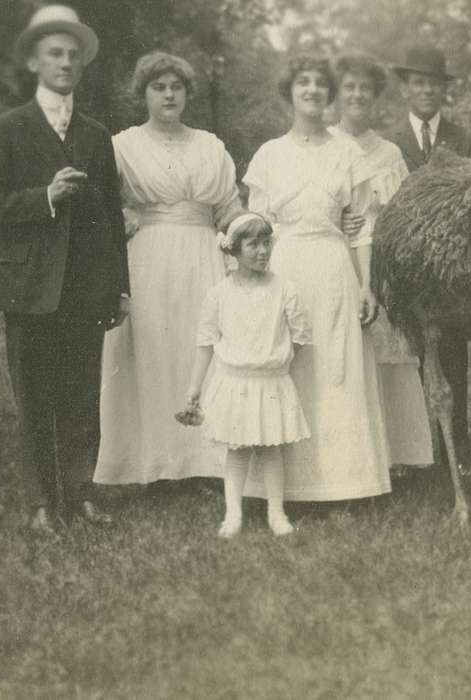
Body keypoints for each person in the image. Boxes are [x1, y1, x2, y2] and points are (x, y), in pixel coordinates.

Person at [0, 5, 127, 535]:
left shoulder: (95, 134)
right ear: (35, 62)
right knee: (35, 396)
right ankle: (42, 502)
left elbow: (109, 216)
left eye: (73, 55)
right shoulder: (8, 128)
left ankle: (81, 493)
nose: (65, 62)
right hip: (28, 287)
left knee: (82, 394)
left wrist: (119, 290)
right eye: (54, 54)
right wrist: (45, 196)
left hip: (85, 288)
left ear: (82, 66)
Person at [243, 54, 392, 502]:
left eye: (319, 84)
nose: (312, 90)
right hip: (284, 269)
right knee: (288, 370)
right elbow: (255, 227)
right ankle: (285, 487)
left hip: (333, 270)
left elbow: (362, 225)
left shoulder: (347, 152)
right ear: (289, 91)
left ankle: (344, 483)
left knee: (336, 371)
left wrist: (366, 285)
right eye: (302, 83)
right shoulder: (270, 154)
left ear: (329, 94)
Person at [94, 52, 243, 486]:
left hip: (201, 255)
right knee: (151, 352)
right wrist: (122, 214)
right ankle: (149, 462)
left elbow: (228, 209)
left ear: (187, 94)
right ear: (143, 94)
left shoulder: (210, 146)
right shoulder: (123, 146)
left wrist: (249, 231)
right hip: (147, 259)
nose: (169, 94)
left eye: (176, 87)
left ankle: (207, 463)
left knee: (201, 347)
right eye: (158, 87)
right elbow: (103, 204)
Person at [328, 52, 434, 471]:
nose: (356, 95)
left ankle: (394, 455)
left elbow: (408, 212)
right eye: (349, 87)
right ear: (336, 95)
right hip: (336, 259)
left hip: (382, 266)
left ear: (374, 97)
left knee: (389, 360)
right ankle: (346, 459)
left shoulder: (388, 152)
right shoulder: (322, 146)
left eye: (365, 90)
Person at [183, 214, 311, 538]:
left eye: (267, 243)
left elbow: (300, 336)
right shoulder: (219, 293)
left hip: (271, 380)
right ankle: (233, 513)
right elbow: (206, 343)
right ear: (234, 250)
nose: (263, 251)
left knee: (271, 449)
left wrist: (278, 365)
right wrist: (194, 388)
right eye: (253, 244)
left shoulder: (284, 289)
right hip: (234, 382)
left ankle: (276, 512)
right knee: (237, 448)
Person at [385, 45, 471, 460]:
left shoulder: (465, 139)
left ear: (445, 90)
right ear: (407, 88)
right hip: (404, 264)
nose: (427, 91)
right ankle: (412, 444)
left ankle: (456, 442)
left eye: (434, 84)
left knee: (451, 352)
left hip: (450, 268)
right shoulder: (390, 142)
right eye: (419, 83)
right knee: (407, 353)